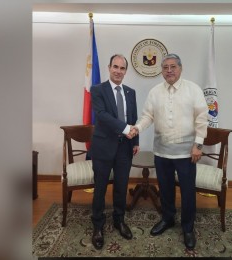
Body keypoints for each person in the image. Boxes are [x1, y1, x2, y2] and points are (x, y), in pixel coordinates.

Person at [127, 53, 208, 250]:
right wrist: (137, 127)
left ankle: (188, 227)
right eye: (165, 67)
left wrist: (198, 144)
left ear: (180, 68)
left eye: (173, 67)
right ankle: (168, 218)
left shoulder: (193, 89)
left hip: (187, 152)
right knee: (165, 188)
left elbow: (202, 117)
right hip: (162, 151)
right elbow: (147, 115)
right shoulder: (155, 92)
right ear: (161, 70)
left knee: (188, 191)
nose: (169, 71)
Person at [89, 54, 140, 250]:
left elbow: (133, 117)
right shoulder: (98, 89)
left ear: (126, 71)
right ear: (109, 68)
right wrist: (126, 129)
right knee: (100, 188)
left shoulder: (130, 92)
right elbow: (102, 116)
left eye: (122, 68)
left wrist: (135, 140)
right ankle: (98, 226)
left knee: (121, 186)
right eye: (115, 67)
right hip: (103, 147)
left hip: (125, 148)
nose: (118, 71)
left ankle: (119, 220)